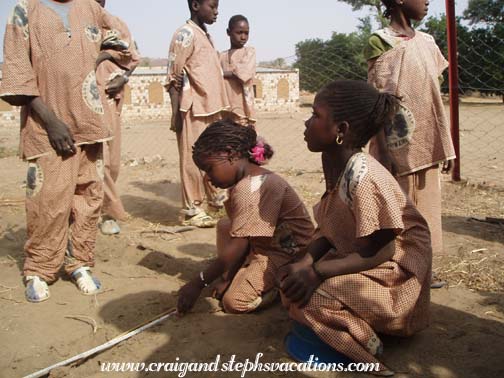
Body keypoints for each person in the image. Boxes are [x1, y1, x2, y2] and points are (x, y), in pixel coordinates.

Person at [280, 80, 432, 373]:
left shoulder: (365, 178)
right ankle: (335, 319)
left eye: (315, 115)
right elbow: (332, 224)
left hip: (397, 268)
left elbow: (385, 249)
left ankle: (366, 345)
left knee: (313, 299)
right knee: (291, 276)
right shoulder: (333, 159)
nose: (307, 121)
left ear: (341, 130)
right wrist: (306, 262)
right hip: (362, 248)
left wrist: (317, 272)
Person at [0, 0, 132, 302]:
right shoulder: (25, 9)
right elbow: (18, 75)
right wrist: (52, 122)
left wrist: (98, 60)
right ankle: (39, 269)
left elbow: (124, 45)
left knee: (88, 198)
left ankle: (80, 263)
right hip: (48, 128)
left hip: (89, 123)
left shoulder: (91, 8)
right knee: (49, 201)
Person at [177, 120, 314, 315]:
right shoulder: (245, 182)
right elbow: (243, 237)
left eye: (209, 169)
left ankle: (277, 286)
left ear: (231, 155)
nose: (207, 178)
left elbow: (240, 244)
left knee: (234, 302)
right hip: (264, 243)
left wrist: (198, 283)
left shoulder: (251, 189)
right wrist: (227, 277)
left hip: (288, 253)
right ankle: (246, 272)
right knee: (225, 225)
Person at [364, 0, 455, 266]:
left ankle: (423, 266)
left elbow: (434, 99)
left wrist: (444, 142)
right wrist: (381, 149)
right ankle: (398, 267)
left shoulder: (427, 42)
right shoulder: (380, 40)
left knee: (427, 206)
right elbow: (378, 99)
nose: (428, 2)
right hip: (396, 144)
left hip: (427, 141)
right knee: (397, 208)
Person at [165, 0, 229, 227]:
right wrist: (175, 114)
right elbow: (173, 77)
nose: (216, 11)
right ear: (195, 5)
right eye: (212, 6)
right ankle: (192, 209)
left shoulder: (206, 36)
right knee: (192, 160)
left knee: (214, 156)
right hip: (192, 109)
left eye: (217, 6)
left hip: (211, 108)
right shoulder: (184, 34)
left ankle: (214, 201)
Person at [95, 0, 140, 235]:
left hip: (110, 97)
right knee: (93, 156)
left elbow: (132, 58)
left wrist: (124, 77)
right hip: (81, 96)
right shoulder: (74, 22)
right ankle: (107, 212)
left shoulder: (116, 23)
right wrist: (101, 56)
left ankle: (101, 210)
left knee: (111, 159)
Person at [219, 15, 256, 126]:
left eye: (246, 33)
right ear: (228, 32)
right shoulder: (221, 56)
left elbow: (243, 73)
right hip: (225, 110)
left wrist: (220, 74)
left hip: (243, 110)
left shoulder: (249, 52)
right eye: (239, 33)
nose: (243, 37)